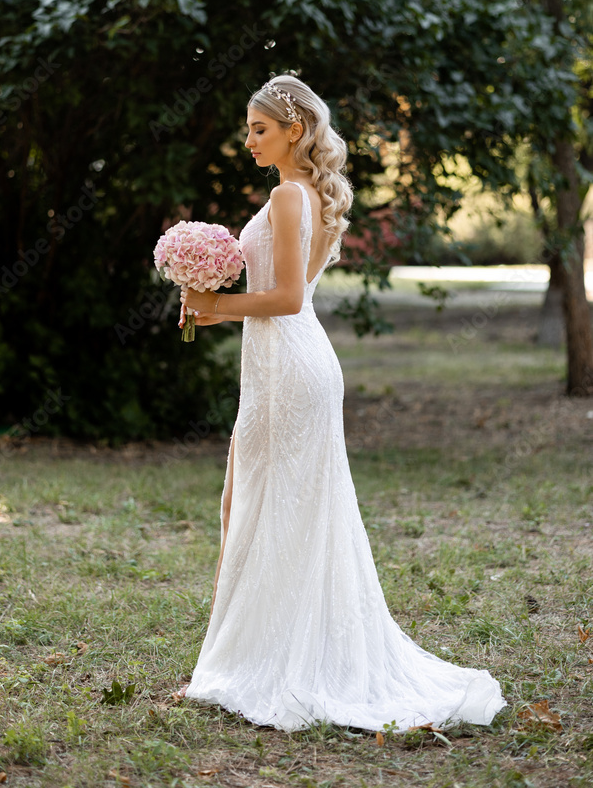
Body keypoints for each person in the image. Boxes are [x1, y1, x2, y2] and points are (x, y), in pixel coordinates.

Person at [174, 74, 507, 733]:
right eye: (247, 129)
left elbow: (288, 300)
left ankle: (266, 664)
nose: (248, 140)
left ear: (294, 130)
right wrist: (218, 312)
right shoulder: (306, 196)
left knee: (267, 506)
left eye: (259, 129)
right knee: (256, 502)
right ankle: (247, 653)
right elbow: (276, 295)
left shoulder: (288, 195)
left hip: (291, 364)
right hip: (286, 360)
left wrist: (218, 303)